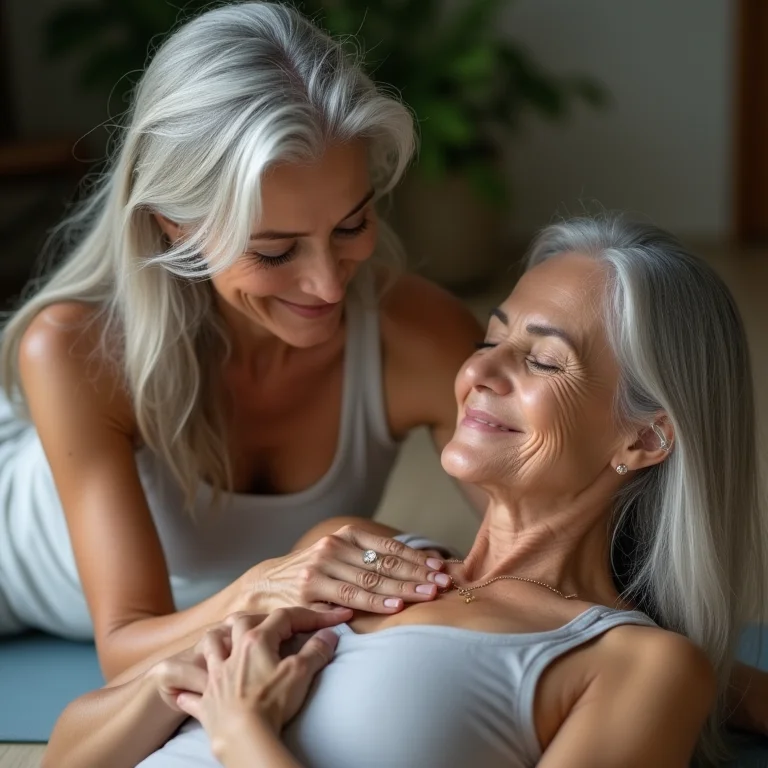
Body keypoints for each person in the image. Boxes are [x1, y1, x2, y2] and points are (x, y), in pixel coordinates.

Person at [44, 216, 768, 767]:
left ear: (642, 439)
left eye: (545, 360)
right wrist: (177, 679)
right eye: (491, 339)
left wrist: (244, 735)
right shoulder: (351, 554)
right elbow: (66, 753)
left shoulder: (639, 667)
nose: (480, 372)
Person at [0, 1, 484, 680]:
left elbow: (547, 563)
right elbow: (126, 653)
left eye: (350, 225)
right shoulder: (76, 350)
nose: (326, 285)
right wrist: (275, 585)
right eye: (275, 250)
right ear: (174, 225)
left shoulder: (421, 337)